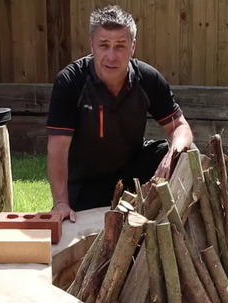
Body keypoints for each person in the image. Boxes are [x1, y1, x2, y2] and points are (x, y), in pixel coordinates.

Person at [46, 5, 193, 223]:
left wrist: (173, 153)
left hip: (134, 174)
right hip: (87, 182)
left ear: (133, 46)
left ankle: (184, 220)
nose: (111, 56)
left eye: (120, 46)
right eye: (104, 45)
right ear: (92, 45)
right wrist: (61, 202)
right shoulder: (70, 81)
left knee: (184, 153)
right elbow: (58, 147)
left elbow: (180, 127)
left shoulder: (148, 78)